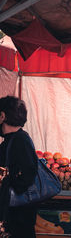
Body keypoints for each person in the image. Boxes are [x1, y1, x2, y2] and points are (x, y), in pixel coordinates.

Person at [0, 96, 38, 238]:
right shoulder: (13, 139)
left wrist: (10, 185)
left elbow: (28, 173)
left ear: (2, 116)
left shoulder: (20, 140)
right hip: (16, 213)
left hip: (18, 215)